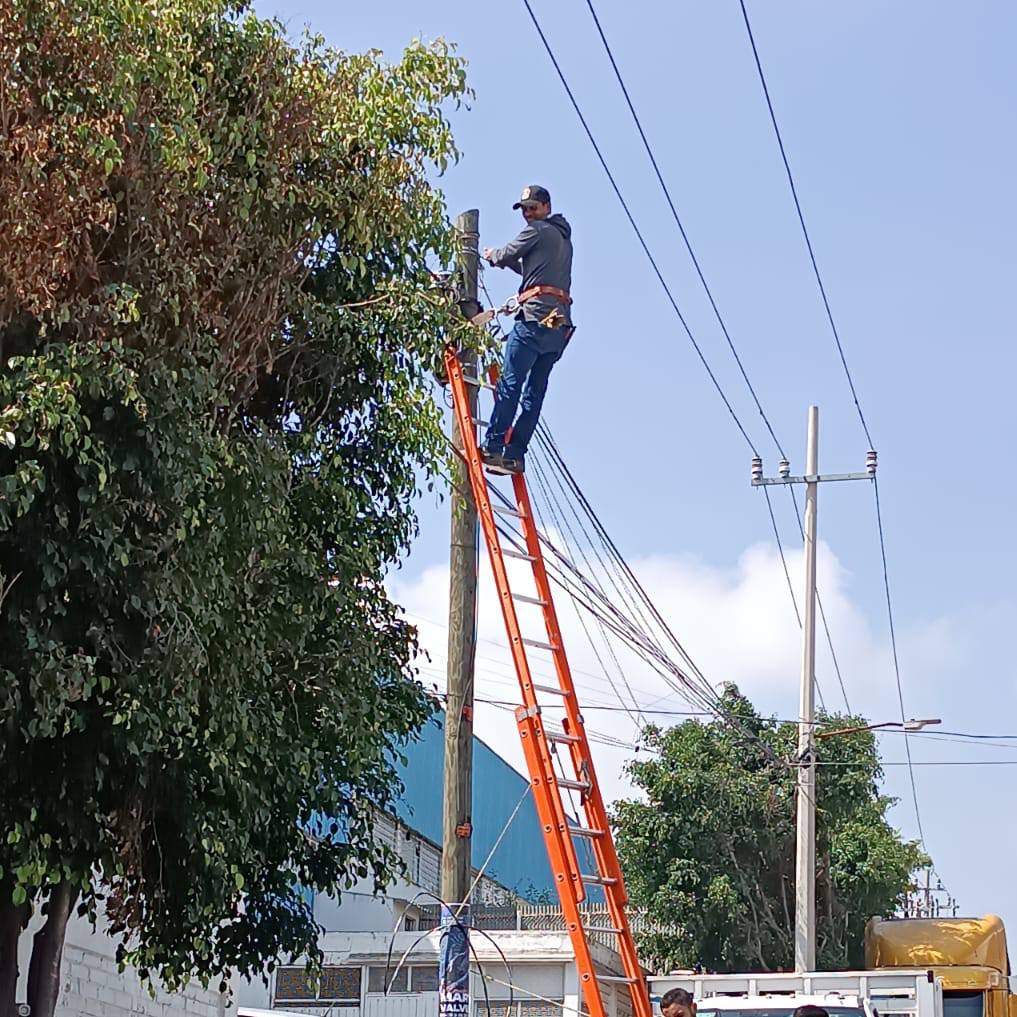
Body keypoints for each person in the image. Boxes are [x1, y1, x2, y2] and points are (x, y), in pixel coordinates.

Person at [480, 184, 574, 475]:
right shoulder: (562, 239)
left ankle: (494, 448)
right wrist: (508, 263)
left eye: (533, 208)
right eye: (525, 209)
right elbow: (532, 270)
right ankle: (516, 455)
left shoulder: (537, 230)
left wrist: (492, 255)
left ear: (546, 206)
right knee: (535, 392)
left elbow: (507, 252)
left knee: (511, 384)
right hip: (558, 324)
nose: (528, 214)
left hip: (535, 316)